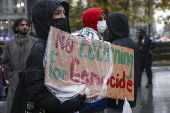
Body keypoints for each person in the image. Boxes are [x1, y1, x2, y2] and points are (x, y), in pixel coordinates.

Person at [25, 0, 95, 113]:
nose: (63, 17)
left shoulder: (66, 45)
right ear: (45, 18)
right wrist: (76, 101)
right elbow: (38, 93)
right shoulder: (40, 49)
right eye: (57, 13)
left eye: (64, 13)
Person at [1, 18, 37, 113]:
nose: (25, 27)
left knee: (31, 105)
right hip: (15, 79)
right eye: (22, 25)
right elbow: (5, 62)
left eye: (26, 25)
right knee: (14, 105)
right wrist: (10, 76)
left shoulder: (35, 42)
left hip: (31, 78)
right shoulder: (9, 44)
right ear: (16, 28)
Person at [106, 12, 140, 113]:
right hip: (129, 94)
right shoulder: (131, 42)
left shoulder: (116, 45)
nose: (108, 28)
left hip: (116, 99)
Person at [77, 8, 108, 113]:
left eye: (104, 19)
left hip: (99, 94)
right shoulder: (81, 41)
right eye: (100, 19)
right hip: (87, 97)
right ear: (91, 20)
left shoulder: (99, 39)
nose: (103, 23)